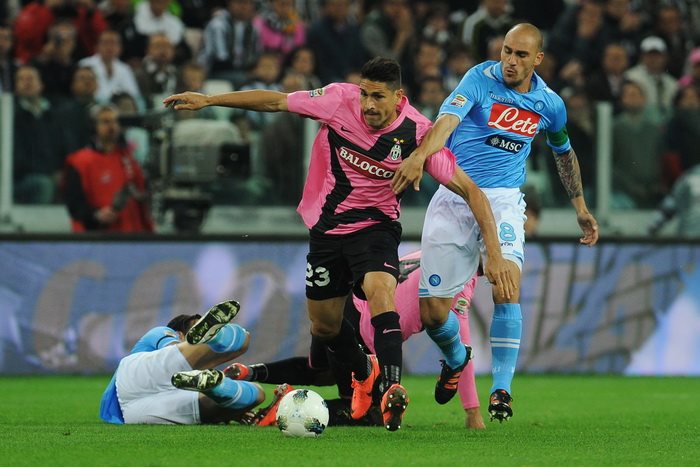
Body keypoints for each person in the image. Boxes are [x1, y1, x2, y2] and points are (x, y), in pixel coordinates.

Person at [164, 57, 515, 431]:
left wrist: (494, 254)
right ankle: (362, 374)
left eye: (377, 97)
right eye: (364, 94)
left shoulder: (418, 135)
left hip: (376, 229)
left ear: (398, 97)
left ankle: (390, 387)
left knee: (381, 290)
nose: (368, 105)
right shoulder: (337, 100)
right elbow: (276, 101)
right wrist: (210, 100)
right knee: (325, 327)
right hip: (327, 231)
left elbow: (472, 192)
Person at [391, 23, 599, 422]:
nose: (510, 61)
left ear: (537, 59)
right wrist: (419, 157)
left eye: (521, 55)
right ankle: (457, 358)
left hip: (503, 200)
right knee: (434, 314)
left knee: (507, 285)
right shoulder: (478, 79)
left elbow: (563, 153)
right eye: (506, 51)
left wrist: (580, 207)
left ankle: (501, 389)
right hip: (454, 195)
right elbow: (445, 123)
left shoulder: (550, 104)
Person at [227, 251, 486, 430]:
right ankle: (285, 407)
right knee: (367, 414)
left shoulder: (434, 248)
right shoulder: (462, 279)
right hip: (368, 332)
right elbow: (459, 348)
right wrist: (472, 411)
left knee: (320, 369)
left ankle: (249, 372)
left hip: (341, 306)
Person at [99, 300, 266, 424]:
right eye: (195, 327)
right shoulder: (162, 332)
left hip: (129, 414)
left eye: (203, 327)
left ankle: (218, 388)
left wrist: (234, 411)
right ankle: (218, 336)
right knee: (244, 341)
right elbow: (174, 350)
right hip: (133, 381)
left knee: (257, 394)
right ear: (180, 333)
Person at [64, 104, 153, 232]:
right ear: (93, 126)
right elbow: (74, 204)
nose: (112, 126)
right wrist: (96, 214)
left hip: (130, 232)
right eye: (106, 122)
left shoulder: (127, 158)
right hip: (97, 234)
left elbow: (141, 194)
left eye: (115, 121)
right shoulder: (79, 162)